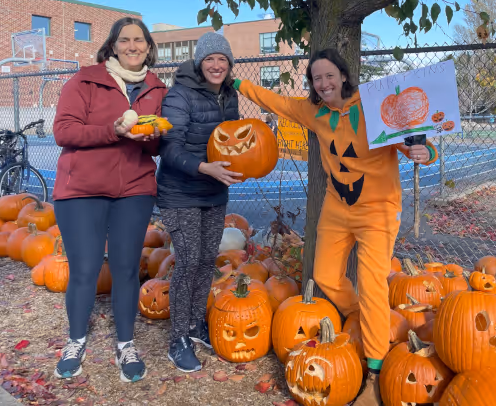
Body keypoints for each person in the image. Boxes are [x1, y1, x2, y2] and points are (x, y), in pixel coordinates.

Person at [232, 49, 438, 405]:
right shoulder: (314, 113)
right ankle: (363, 317)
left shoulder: (376, 108)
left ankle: (374, 374)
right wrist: (237, 82)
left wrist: (426, 153)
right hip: (336, 208)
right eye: (316, 79)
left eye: (329, 76)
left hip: (377, 211)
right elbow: (276, 102)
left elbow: (417, 145)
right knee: (326, 275)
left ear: (343, 75)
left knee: (373, 283)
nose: (323, 83)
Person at [52, 17, 167, 383]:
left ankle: (126, 343)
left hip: (133, 189)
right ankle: (75, 340)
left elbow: (156, 144)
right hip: (81, 190)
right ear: (113, 45)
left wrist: (154, 134)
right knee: (84, 270)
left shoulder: (155, 87)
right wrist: (113, 130)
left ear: (149, 47)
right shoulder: (86, 79)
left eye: (140, 40)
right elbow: (63, 130)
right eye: (125, 40)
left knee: (126, 270)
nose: (133, 46)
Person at [156, 32, 242, 372]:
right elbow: (170, 147)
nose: (216, 65)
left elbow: (234, 141)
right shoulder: (179, 95)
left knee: (207, 260)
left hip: (214, 191)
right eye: (210, 59)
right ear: (199, 63)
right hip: (181, 191)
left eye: (222, 59)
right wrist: (204, 167)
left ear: (229, 65)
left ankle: (194, 324)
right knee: (189, 259)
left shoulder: (229, 96)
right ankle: (177, 339)